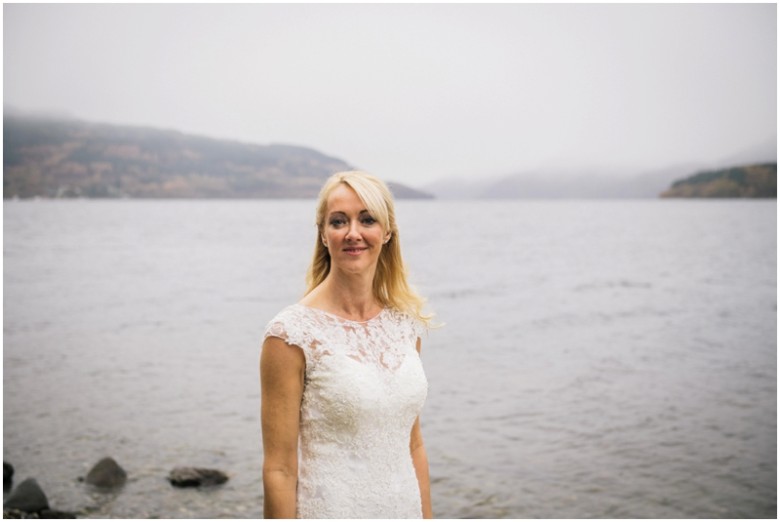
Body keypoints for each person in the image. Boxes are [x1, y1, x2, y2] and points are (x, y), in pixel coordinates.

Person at [260, 171, 433, 519]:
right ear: (324, 235)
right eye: (339, 221)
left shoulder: (404, 326)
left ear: (387, 232)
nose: (353, 233)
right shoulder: (290, 334)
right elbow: (279, 469)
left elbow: (412, 443)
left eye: (367, 219)